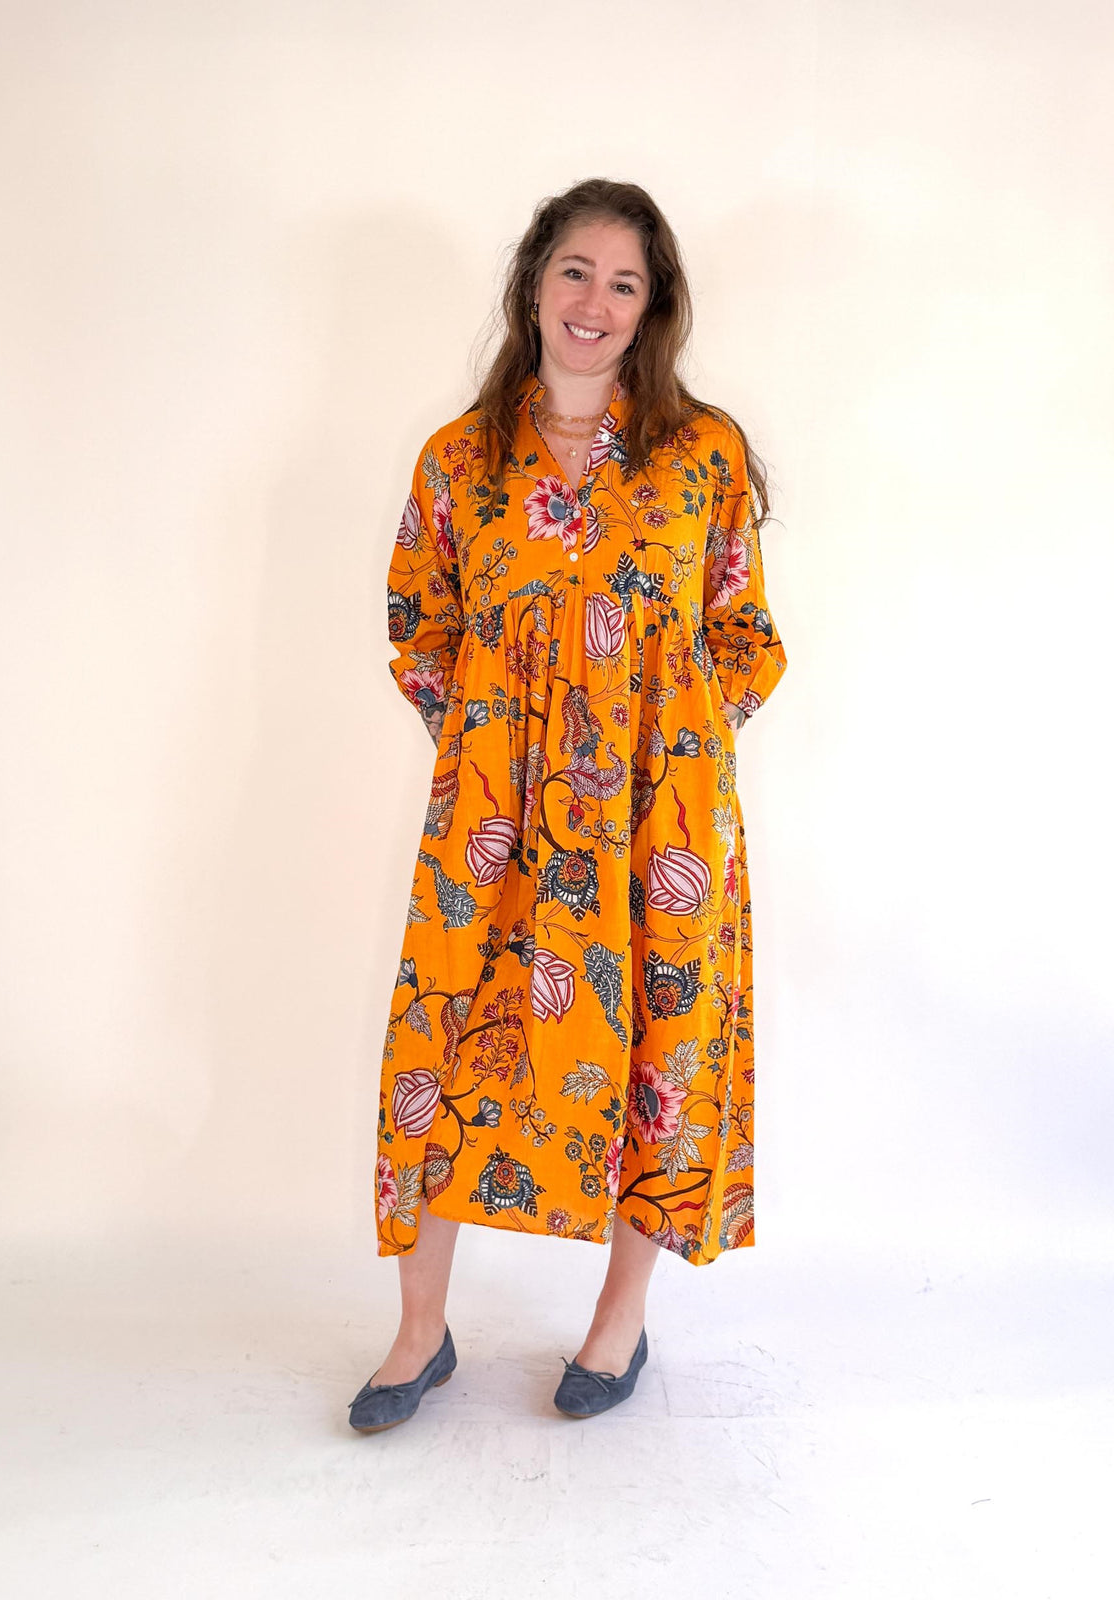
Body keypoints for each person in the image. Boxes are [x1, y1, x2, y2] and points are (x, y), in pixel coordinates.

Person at [349, 178, 787, 1432]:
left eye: (625, 282)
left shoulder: (703, 455)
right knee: (445, 1036)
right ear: (533, 285)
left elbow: (744, 634)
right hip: (494, 815)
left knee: (658, 1041)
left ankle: (620, 1320)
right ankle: (419, 1331)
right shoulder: (459, 461)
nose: (595, 302)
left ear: (653, 310)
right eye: (576, 273)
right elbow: (418, 628)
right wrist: (501, 743)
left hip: (660, 820)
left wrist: (672, 748)